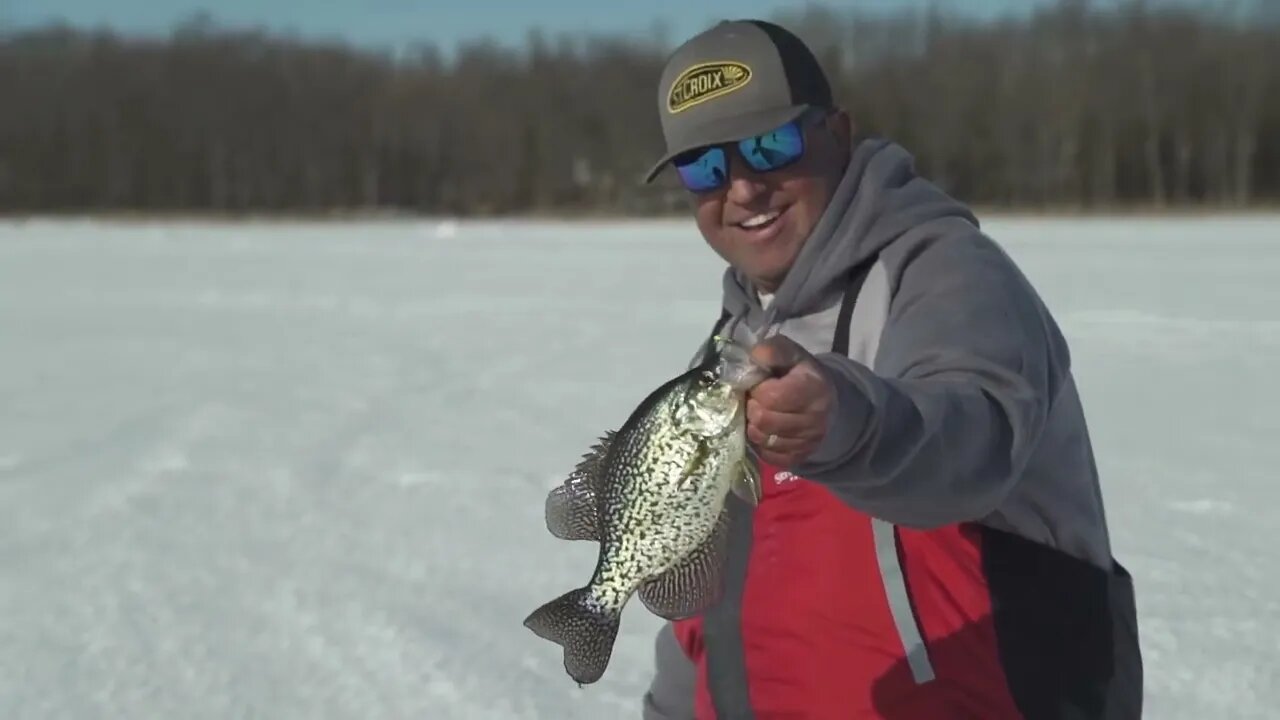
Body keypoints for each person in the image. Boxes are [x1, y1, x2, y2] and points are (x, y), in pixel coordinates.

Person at [633, 18, 1144, 720]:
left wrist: (845, 422)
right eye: (705, 167)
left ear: (838, 135)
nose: (743, 188)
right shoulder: (730, 346)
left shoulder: (944, 278)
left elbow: (973, 437)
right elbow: (705, 592)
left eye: (768, 145)